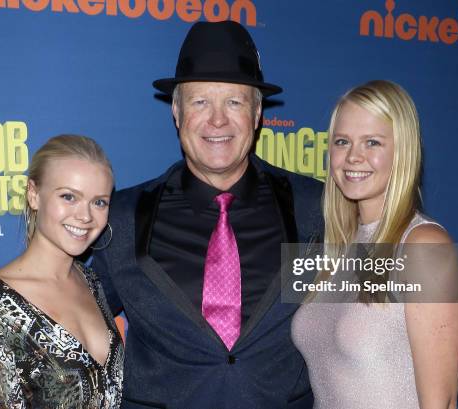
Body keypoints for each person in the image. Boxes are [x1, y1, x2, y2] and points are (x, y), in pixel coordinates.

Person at [91, 21, 323, 409]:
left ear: (258, 112)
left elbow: (407, 289)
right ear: (177, 113)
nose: (218, 120)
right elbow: (70, 314)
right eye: (200, 102)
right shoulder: (123, 216)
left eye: (234, 101)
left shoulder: (315, 206)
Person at [291, 80, 458, 409]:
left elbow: (439, 403)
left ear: (403, 151)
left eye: (372, 142)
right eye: (342, 141)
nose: (353, 157)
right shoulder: (339, 246)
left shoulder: (423, 246)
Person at [0, 135, 124, 408]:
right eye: (69, 197)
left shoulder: (91, 281)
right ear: (34, 194)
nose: (85, 216)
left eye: (99, 202)